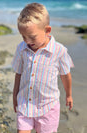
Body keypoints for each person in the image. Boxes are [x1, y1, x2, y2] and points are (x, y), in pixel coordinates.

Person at [12, 3, 74, 133]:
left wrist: (68, 95)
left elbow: (65, 75)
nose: (27, 41)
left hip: (48, 107)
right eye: (23, 36)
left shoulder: (59, 51)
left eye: (32, 37)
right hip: (25, 103)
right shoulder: (21, 48)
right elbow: (18, 74)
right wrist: (15, 95)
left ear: (47, 30)